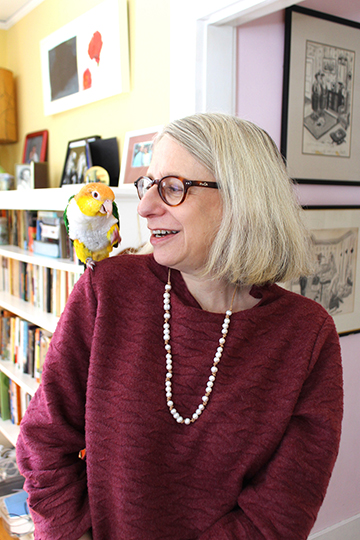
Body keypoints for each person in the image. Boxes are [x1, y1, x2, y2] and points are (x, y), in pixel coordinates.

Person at [16, 113, 343, 540]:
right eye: (147, 185)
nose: (147, 208)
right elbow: (43, 442)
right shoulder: (107, 291)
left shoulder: (307, 336)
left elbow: (279, 513)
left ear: (243, 198)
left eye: (172, 188)